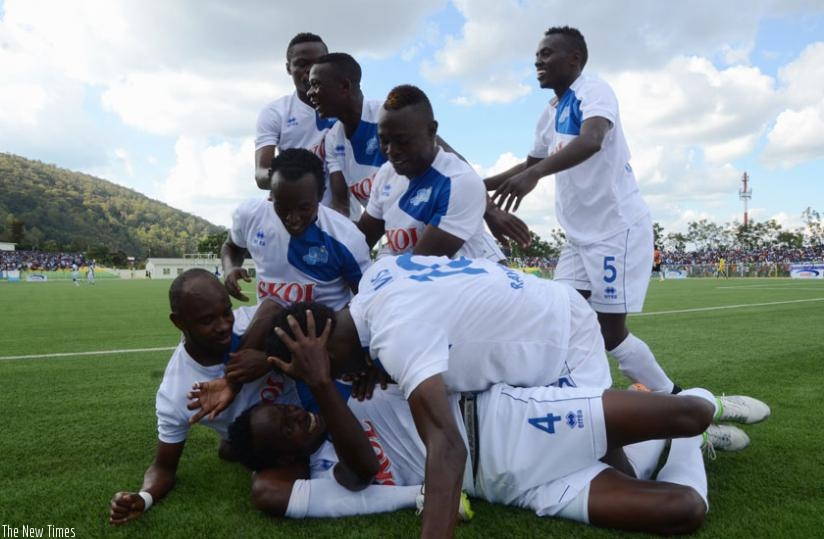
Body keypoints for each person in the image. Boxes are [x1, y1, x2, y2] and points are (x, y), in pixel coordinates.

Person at [246, 255, 767, 536]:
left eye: (306, 382)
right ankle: (686, 445)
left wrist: (335, 377)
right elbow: (338, 473)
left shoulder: (391, 342)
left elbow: (446, 448)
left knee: (680, 416)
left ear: (319, 352)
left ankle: (701, 407)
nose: (305, 400)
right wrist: (348, 374)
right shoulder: (377, 299)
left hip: (530, 386)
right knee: (681, 511)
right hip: (509, 484)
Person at [485, 26, 679, 394]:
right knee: (559, 320)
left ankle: (673, 399)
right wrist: (478, 186)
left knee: (610, 334)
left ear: (574, 58)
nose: (538, 61)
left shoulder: (593, 91)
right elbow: (529, 165)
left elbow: (592, 140)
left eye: (546, 53)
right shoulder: (549, 114)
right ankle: (580, 400)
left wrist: (535, 175)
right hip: (578, 238)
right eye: (537, 55)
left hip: (615, 230)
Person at [108, 269, 299, 525]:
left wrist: (251, 367)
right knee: (265, 482)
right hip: (282, 441)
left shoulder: (248, 323)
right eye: (208, 320)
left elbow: (274, 305)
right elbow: (164, 467)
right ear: (178, 322)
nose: (224, 326)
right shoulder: (177, 392)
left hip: (311, 413)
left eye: (226, 312)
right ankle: (238, 445)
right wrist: (144, 496)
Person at [308, 53, 531, 249]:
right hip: (402, 234)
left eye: (316, 85)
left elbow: (454, 163)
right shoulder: (333, 139)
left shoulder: (387, 115)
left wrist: (490, 210)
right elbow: (341, 205)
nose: (310, 93)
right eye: (384, 141)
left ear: (344, 86)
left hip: (448, 232)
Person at [358, 84, 505, 262]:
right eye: (384, 140)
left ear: (432, 131)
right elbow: (359, 243)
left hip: (451, 279)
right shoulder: (386, 174)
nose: (391, 150)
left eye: (402, 141)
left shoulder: (460, 182)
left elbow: (418, 266)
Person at [222, 148, 371, 308]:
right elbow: (231, 247)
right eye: (282, 207)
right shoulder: (251, 215)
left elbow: (368, 300)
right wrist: (229, 268)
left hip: (327, 323)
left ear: (321, 195)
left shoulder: (346, 237)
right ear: (272, 193)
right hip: (268, 320)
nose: (292, 219)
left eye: (303, 208)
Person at [254, 32, 336, 191]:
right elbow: (261, 173)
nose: (310, 70)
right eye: (302, 64)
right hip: (297, 206)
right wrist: (287, 177)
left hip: (345, 207)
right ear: (288, 68)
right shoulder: (275, 112)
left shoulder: (346, 107)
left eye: (318, 62)